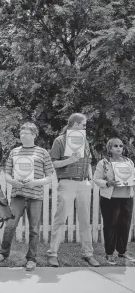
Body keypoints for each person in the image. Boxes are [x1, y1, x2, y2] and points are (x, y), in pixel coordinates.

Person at [0, 122, 54, 271]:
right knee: (10, 226)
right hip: (17, 196)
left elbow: (50, 176)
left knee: (34, 229)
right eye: (20, 133)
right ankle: (3, 253)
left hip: (35, 196)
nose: (22, 135)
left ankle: (31, 259)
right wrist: (13, 181)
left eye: (25, 133)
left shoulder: (42, 153)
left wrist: (35, 182)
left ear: (34, 135)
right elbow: (6, 174)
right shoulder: (14, 152)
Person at [47, 113, 99, 267]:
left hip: (83, 184)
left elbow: (88, 161)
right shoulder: (60, 140)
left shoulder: (85, 141)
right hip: (67, 183)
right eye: (84, 125)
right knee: (60, 219)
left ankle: (88, 254)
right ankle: (52, 254)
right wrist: (69, 160)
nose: (85, 127)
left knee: (85, 221)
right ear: (75, 124)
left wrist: (89, 180)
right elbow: (52, 163)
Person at [93, 138, 135, 264]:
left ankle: (122, 252)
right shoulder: (104, 162)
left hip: (127, 197)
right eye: (115, 145)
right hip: (110, 198)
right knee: (110, 225)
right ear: (109, 148)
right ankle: (109, 253)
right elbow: (96, 179)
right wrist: (108, 183)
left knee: (125, 225)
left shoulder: (129, 162)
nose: (119, 148)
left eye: (121, 145)